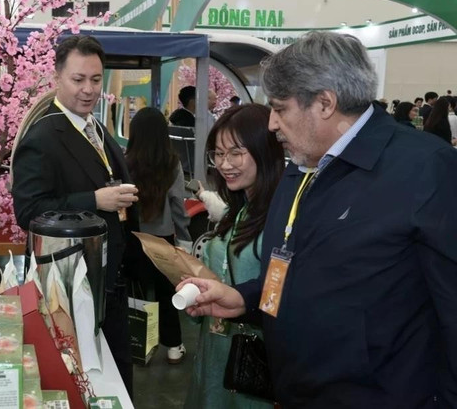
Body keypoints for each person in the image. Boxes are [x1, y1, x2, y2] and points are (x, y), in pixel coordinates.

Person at [177, 31, 457, 407]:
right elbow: (295, 270)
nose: (272, 125)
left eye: (280, 108)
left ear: (325, 102)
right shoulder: (302, 166)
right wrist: (244, 298)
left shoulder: (425, 169)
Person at [12, 35, 139, 396]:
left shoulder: (95, 128)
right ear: (57, 77)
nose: (88, 90)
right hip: (71, 290)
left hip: (107, 281)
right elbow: (29, 210)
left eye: (96, 80)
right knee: (86, 381)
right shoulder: (43, 136)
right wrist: (95, 200)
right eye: (78, 80)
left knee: (116, 377)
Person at [184, 104, 284, 409]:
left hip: (253, 362)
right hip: (216, 348)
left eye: (236, 153)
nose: (224, 164)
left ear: (264, 150)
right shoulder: (239, 209)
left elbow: (280, 293)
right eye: (218, 154)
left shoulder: (281, 217)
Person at [125, 107, 192, 364]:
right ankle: (174, 347)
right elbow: (177, 205)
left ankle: (140, 346)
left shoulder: (125, 160)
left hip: (133, 238)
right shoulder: (172, 163)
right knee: (167, 293)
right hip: (163, 241)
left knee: (136, 292)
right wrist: (184, 238)